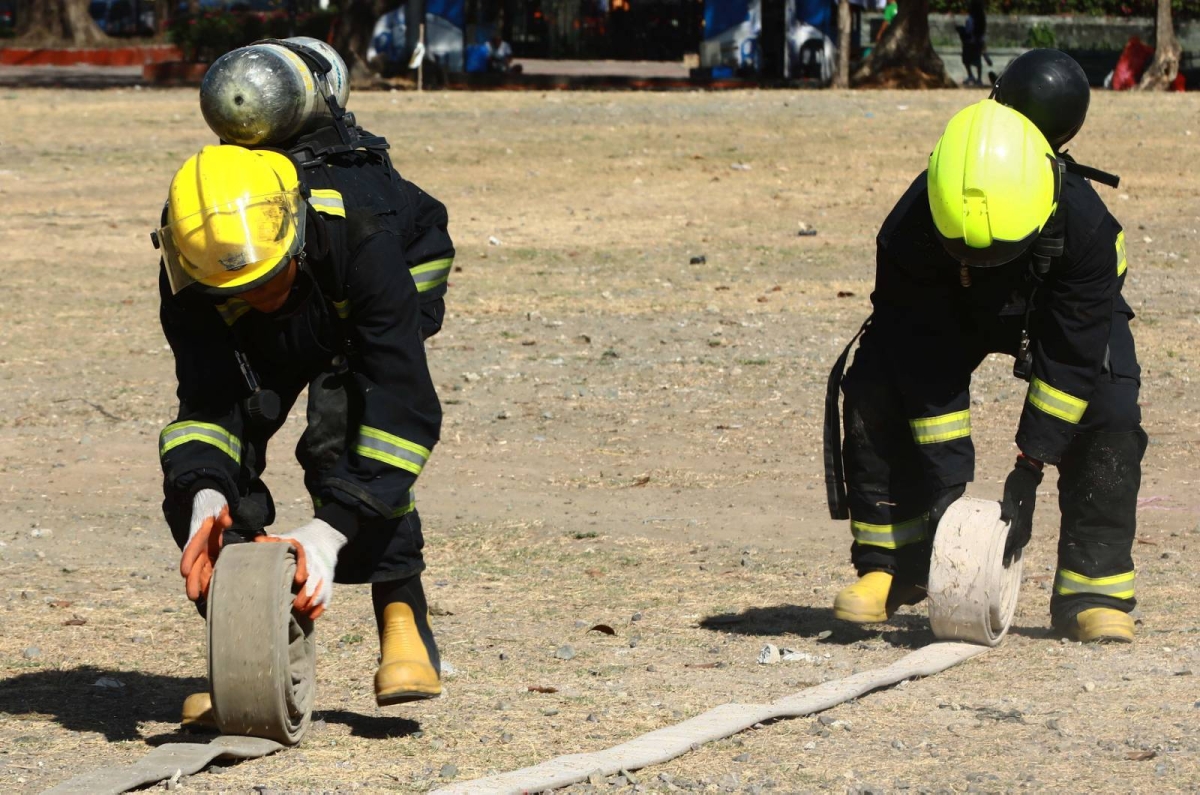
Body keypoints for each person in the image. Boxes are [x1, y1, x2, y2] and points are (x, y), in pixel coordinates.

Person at [824, 50, 1145, 644]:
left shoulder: (1088, 230)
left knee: (1109, 404)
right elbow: (921, 359)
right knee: (876, 383)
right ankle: (891, 567)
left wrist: (1029, 466)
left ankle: (1093, 587)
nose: (978, 261)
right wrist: (948, 493)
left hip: (1053, 308)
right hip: (947, 312)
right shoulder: (909, 229)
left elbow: (1072, 358)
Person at [154, 134, 455, 727]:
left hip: (383, 273)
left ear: (294, 229)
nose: (261, 298)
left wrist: (329, 532)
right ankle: (249, 658)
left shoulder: (363, 234)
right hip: (293, 282)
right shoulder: (196, 263)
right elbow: (210, 402)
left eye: (268, 279)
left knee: (344, 425)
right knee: (201, 471)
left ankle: (403, 618)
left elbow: (403, 405)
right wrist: (207, 499)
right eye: (241, 291)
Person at [957, 0, 986, 86]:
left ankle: (970, 75)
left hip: (970, 42)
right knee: (978, 60)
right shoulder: (982, 18)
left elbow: (968, 30)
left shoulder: (970, 19)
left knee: (966, 59)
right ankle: (979, 78)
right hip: (979, 42)